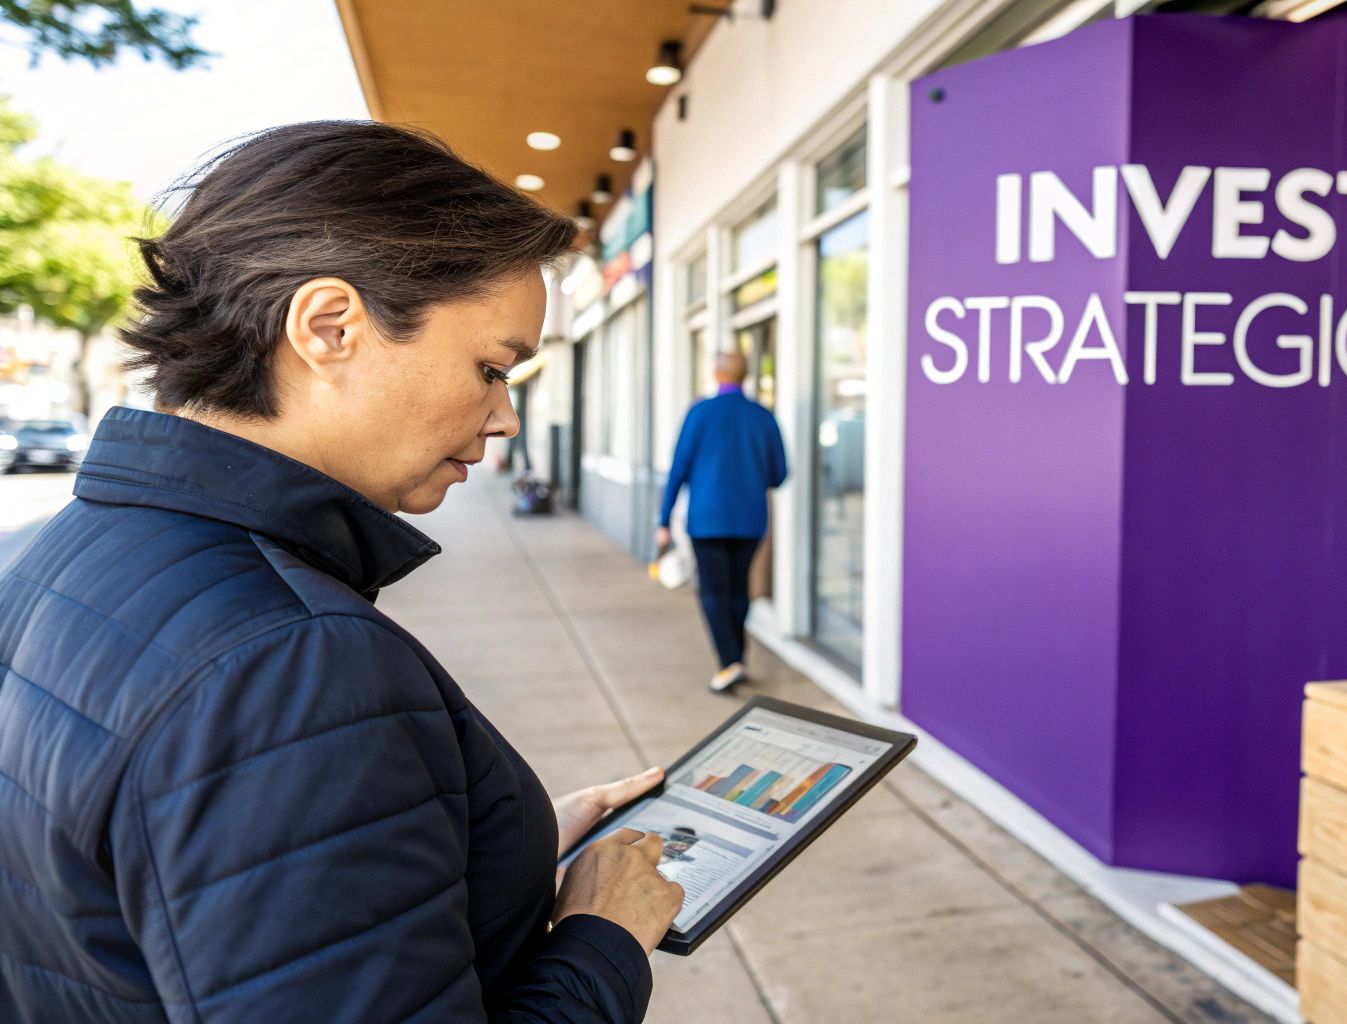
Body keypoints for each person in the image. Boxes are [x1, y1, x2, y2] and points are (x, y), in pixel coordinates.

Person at [0, 121, 684, 1022]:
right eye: (491, 368)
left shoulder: (58, 555)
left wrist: (478, 849)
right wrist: (603, 937)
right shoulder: (290, 664)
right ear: (329, 328)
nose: (505, 418)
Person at [657, 351, 788, 693]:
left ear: (716, 375)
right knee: (739, 589)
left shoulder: (699, 412)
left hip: (707, 520)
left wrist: (663, 519)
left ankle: (730, 662)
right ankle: (736, 657)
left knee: (714, 592)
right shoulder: (762, 416)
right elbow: (779, 475)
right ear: (745, 376)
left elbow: (678, 469)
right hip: (750, 521)